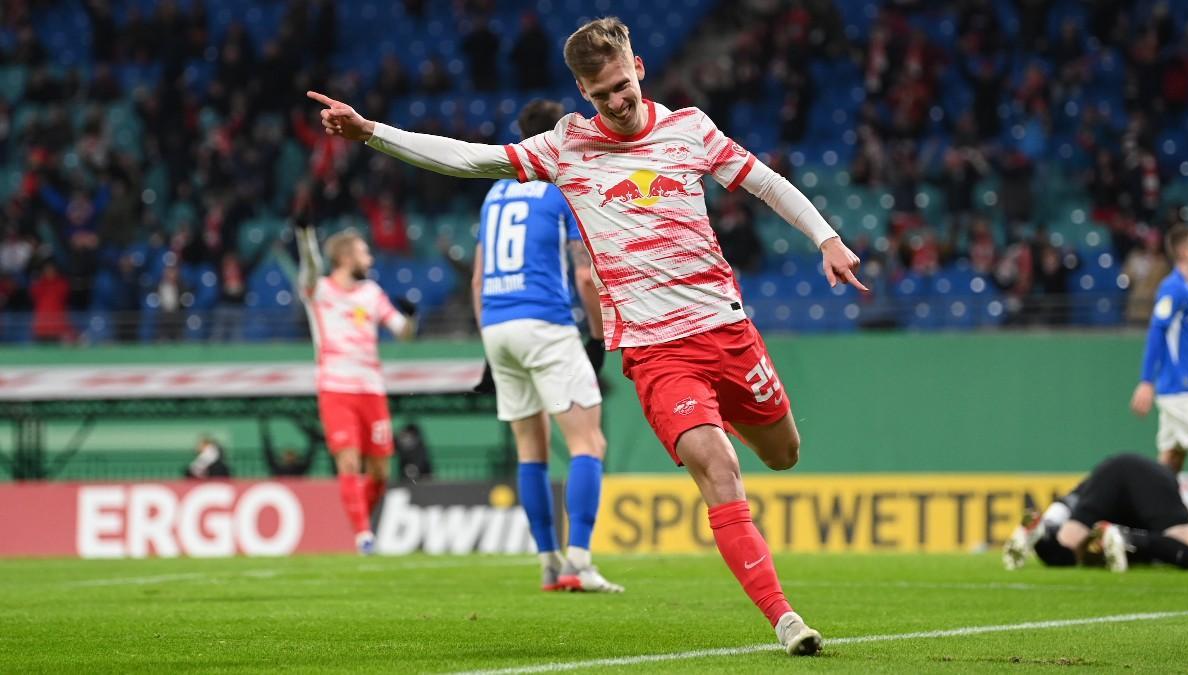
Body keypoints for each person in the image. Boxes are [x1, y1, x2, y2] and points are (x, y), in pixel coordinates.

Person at [307, 16, 867, 655]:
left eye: (624, 86)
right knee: (719, 467)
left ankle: (696, 460)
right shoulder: (564, 147)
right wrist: (370, 131)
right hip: (656, 352)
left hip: (728, 332)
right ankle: (785, 619)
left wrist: (826, 238)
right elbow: (468, 158)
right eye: (602, 96)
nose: (618, 103)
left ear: (640, 69)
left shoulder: (690, 129)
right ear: (581, 92)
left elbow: (764, 181)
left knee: (783, 453)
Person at [471, 98, 620, 593]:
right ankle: (580, 560)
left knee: (530, 451)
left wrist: (489, 349)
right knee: (588, 442)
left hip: (496, 326)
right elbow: (585, 275)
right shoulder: (561, 192)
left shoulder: (494, 193)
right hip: (545, 323)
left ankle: (548, 561)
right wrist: (597, 340)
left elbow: (477, 279)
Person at [295, 226, 416, 554]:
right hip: (336, 387)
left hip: (372, 391)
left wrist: (411, 317)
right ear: (346, 257)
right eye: (365, 252)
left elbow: (401, 330)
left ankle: (358, 520)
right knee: (348, 461)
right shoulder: (318, 290)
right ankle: (363, 535)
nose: (370, 258)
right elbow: (308, 263)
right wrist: (304, 234)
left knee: (380, 470)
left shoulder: (372, 293)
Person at [1003, 453, 1188, 572]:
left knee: (1067, 545)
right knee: (1185, 541)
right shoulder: (1160, 479)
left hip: (1110, 469)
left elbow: (1067, 503)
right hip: (1149, 478)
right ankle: (1127, 538)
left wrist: (1049, 520)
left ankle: (1042, 533)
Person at [1130, 226, 1188, 474]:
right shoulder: (1173, 288)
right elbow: (1157, 331)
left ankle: (1146, 511)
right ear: (1184, 251)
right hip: (1182, 390)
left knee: (1170, 463)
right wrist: (1147, 381)